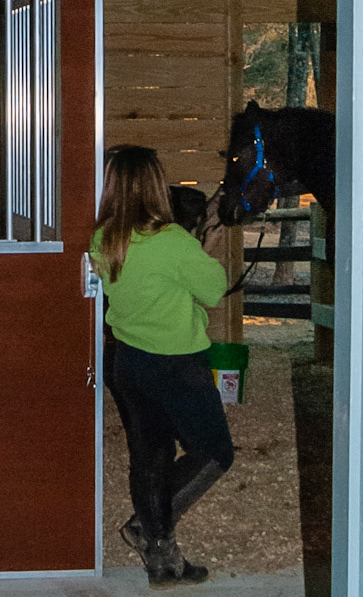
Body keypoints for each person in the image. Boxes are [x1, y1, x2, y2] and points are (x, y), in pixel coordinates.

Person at [91, 146, 235, 587]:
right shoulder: (172, 241)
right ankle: (145, 527)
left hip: (129, 362)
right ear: (155, 185)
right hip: (177, 364)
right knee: (215, 452)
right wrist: (204, 248)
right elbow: (213, 289)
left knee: (150, 459)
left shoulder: (103, 240)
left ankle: (162, 561)